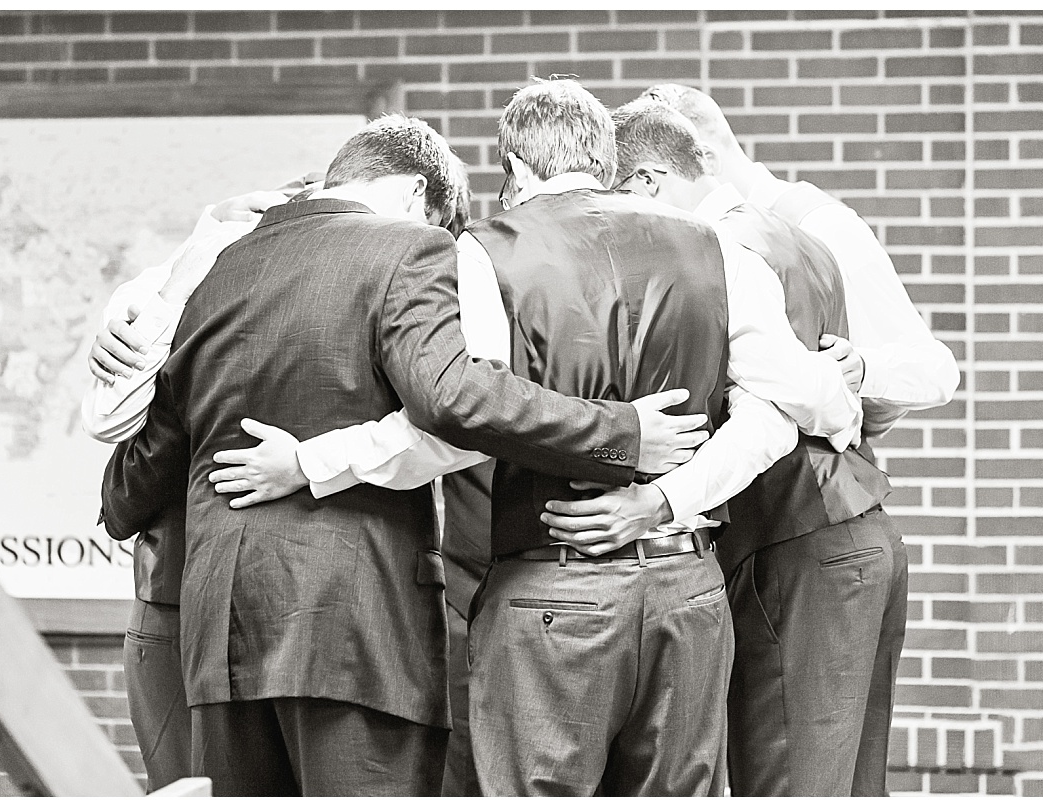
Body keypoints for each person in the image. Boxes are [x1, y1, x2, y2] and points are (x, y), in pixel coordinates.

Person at [208, 79, 863, 796]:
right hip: (689, 588)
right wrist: (666, 501)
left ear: (516, 169)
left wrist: (310, 461)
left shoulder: (484, 252)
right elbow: (779, 412)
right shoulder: (719, 250)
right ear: (607, 160)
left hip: (552, 594)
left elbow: (454, 426)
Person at [97, 113, 704, 797]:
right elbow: (451, 399)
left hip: (220, 630)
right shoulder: (408, 249)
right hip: (355, 628)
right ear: (420, 195)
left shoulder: (217, 263)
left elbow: (143, 452)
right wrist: (617, 431)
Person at [638, 84, 960, 796]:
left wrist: (853, 388)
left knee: (788, 781)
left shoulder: (790, 230)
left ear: (669, 163)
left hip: (803, 537)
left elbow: (927, 369)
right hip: (847, 529)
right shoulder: (793, 241)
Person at [81, 172, 312, 791]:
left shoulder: (333, 309)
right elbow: (107, 422)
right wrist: (198, 246)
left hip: (298, 606)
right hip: (174, 598)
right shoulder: (160, 290)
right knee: (186, 786)